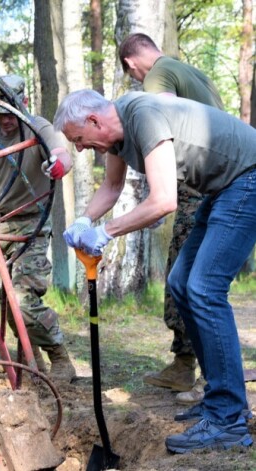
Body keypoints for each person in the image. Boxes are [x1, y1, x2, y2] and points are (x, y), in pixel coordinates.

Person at [54, 89, 255, 453]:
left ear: (95, 121)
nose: (81, 149)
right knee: (181, 284)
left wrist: (106, 231)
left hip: (247, 177)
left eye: (78, 139)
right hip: (222, 188)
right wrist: (85, 218)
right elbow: (112, 186)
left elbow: (163, 200)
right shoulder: (116, 137)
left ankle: (227, 419)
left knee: (204, 289)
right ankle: (220, 400)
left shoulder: (141, 116)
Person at [119, 33, 224, 404]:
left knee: (187, 281)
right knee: (190, 277)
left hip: (199, 188)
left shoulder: (157, 75)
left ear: (132, 64)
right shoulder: (192, 72)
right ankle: (189, 366)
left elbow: (160, 117)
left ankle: (202, 374)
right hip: (217, 181)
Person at [0, 74, 76, 380]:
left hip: (32, 224)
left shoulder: (37, 127)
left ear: (21, 103)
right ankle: (29, 357)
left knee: (23, 298)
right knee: (4, 297)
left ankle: (60, 356)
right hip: (0, 224)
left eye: (9, 112)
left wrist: (59, 164)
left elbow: (62, 153)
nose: (4, 120)